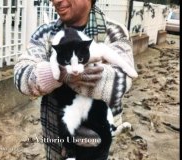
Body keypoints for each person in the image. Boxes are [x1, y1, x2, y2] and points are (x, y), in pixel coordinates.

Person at [14, 0, 135, 159]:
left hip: (98, 142)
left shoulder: (113, 31)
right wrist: (63, 73)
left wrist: (62, 70)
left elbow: (120, 83)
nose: (56, 1)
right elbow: (21, 77)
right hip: (56, 141)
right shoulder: (45, 33)